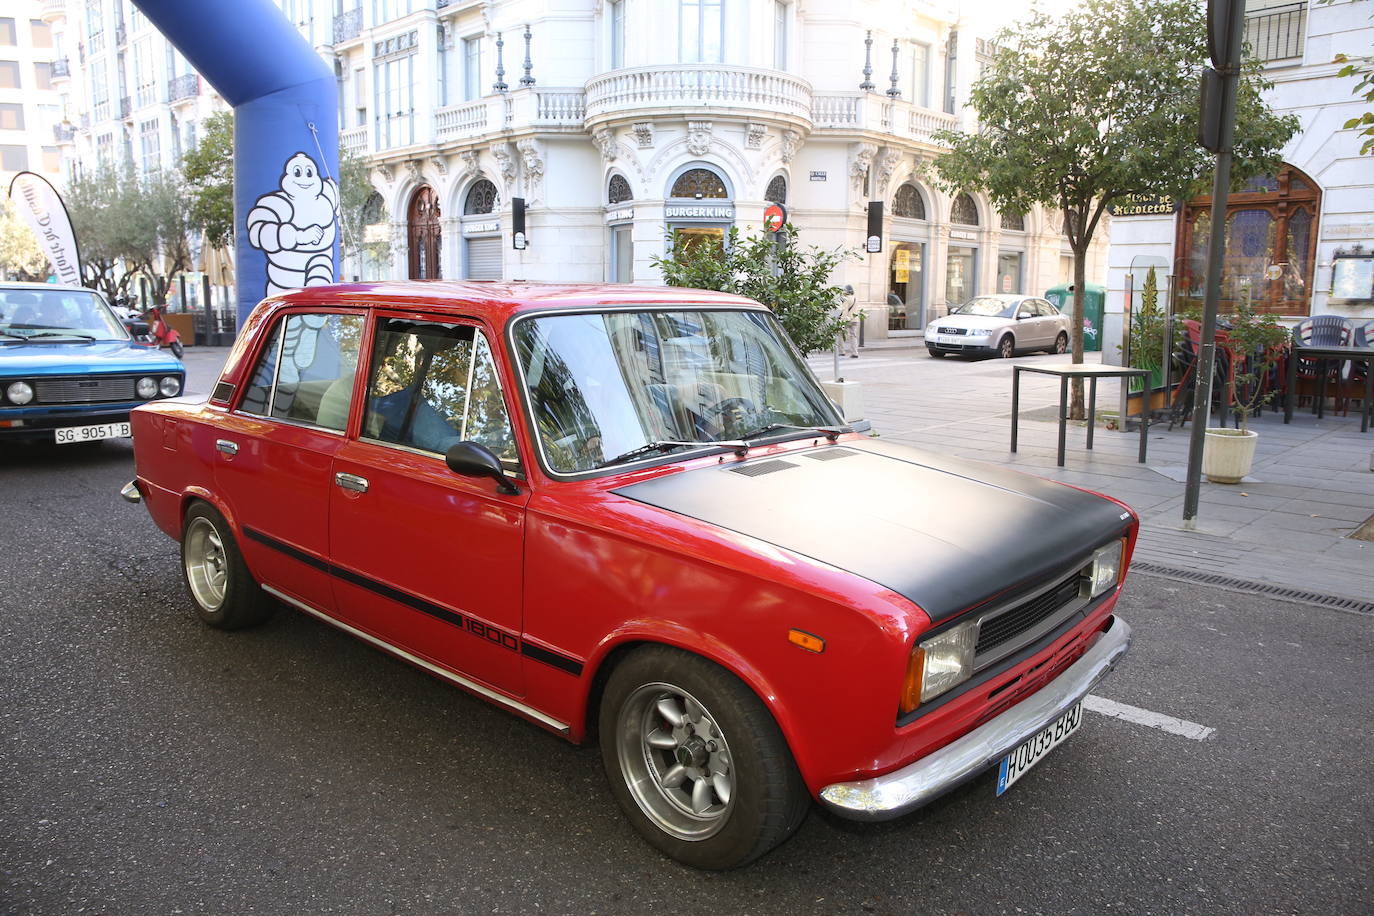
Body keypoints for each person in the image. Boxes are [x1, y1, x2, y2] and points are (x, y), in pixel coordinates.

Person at [839, 285, 861, 358]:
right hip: (855, 319)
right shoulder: (855, 298)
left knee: (841, 334)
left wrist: (841, 321)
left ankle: (842, 351)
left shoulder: (846, 299)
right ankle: (855, 353)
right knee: (853, 336)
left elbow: (844, 311)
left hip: (847, 320)